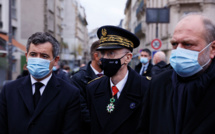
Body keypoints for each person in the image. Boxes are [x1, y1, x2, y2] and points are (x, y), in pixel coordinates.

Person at [138, 14, 215, 133]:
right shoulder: (157, 85)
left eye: (188, 44)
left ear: (212, 49)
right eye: (174, 44)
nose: (179, 50)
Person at [0, 32, 80, 134]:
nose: (38, 59)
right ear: (27, 56)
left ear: (55, 60)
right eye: (33, 54)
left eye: (44, 56)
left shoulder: (70, 94)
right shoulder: (9, 90)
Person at [86, 25, 149, 134]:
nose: (105, 58)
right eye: (103, 53)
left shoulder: (147, 88)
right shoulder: (92, 88)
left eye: (111, 53)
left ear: (128, 58)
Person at [71, 40, 103, 134]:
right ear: (96, 56)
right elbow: (82, 110)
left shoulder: (111, 75)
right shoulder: (78, 78)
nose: (110, 58)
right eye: (107, 54)